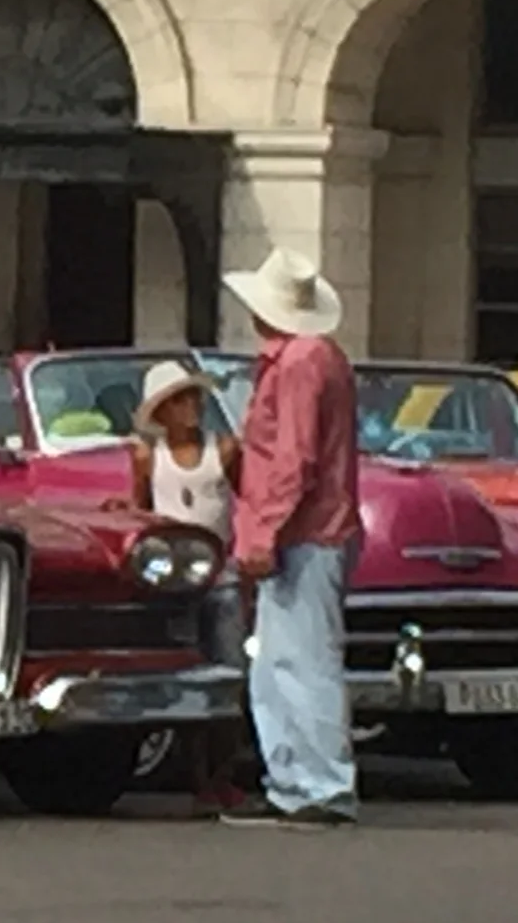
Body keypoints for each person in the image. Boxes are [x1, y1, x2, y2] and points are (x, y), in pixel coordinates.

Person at [218, 247, 362, 830]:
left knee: (300, 662)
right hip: (315, 529)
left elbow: (292, 459)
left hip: (306, 532)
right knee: (285, 662)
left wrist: (261, 532)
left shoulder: (300, 363)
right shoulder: (319, 357)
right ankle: (296, 781)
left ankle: (318, 784)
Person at [130, 359, 249, 814]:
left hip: (221, 577)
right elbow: (141, 515)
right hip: (175, 583)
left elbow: (247, 501)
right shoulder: (146, 458)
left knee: (228, 675)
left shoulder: (225, 450)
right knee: (186, 679)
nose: (191, 407)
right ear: (162, 413)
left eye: (193, 397)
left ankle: (222, 776)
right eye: (178, 400)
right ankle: (196, 777)